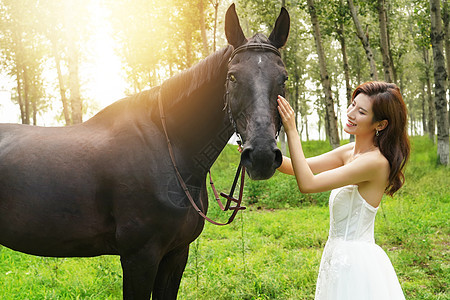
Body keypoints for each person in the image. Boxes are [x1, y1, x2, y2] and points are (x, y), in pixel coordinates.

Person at [276, 81, 409, 299]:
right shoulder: (351, 151)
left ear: (380, 124)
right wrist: (263, 153)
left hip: (355, 263)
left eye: (362, 111)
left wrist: (292, 129)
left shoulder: (375, 162)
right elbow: (298, 167)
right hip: (336, 255)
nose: (351, 113)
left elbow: (307, 184)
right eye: (353, 105)